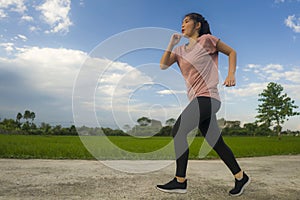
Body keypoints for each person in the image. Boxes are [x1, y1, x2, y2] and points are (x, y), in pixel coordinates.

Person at [156, 13, 250, 196]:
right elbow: (163, 65)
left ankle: (180, 180)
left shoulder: (207, 40)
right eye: (181, 22)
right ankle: (241, 177)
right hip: (196, 99)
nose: (182, 24)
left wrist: (231, 74)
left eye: (186, 21)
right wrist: (171, 44)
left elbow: (232, 52)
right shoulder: (180, 51)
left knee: (178, 130)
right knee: (216, 142)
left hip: (208, 97)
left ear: (197, 25)